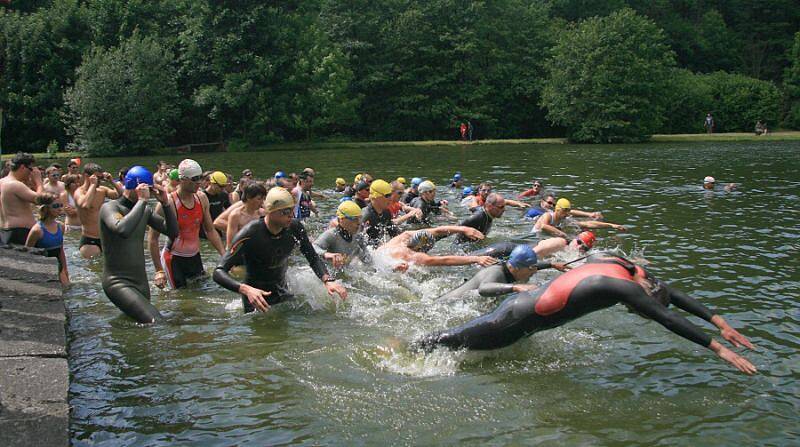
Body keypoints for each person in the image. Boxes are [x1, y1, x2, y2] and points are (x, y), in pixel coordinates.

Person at [413, 254, 758, 375]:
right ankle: (401, 348)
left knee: (464, 339)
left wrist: (718, 321)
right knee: (451, 342)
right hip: (519, 316)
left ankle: (413, 345)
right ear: (644, 289)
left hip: (526, 305)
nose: (632, 306)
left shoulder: (623, 266)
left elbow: (671, 296)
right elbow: (667, 316)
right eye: (638, 306)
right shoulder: (625, 288)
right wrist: (718, 348)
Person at [213, 186, 347, 313]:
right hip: (256, 299)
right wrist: (245, 290)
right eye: (285, 212)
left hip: (282, 292)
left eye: (292, 210)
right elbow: (218, 272)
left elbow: (312, 257)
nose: (291, 215)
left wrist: (327, 280)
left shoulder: (294, 228)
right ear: (270, 211)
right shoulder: (251, 233)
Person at [99, 166, 178, 324]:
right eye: (146, 189)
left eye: (150, 189)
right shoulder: (110, 207)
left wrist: (166, 204)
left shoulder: (144, 210)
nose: (149, 193)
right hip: (118, 282)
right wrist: (142, 201)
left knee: (137, 326)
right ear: (135, 187)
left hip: (140, 283)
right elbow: (122, 229)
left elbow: (173, 232)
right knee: (156, 321)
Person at [149, 159, 225, 290]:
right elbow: (152, 238)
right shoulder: (168, 203)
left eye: (200, 178)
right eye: (195, 179)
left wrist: (225, 256)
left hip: (194, 257)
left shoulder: (202, 198)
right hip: (173, 260)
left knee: (200, 296)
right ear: (182, 179)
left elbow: (210, 230)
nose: (199, 183)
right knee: (180, 300)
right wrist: (159, 271)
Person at [438, 245, 567, 301]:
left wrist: (552, 265)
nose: (534, 271)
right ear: (517, 268)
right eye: (531, 269)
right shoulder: (497, 272)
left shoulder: (513, 266)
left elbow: (531, 267)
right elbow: (483, 289)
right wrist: (515, 287)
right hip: (450, 303)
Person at [377, 226, 496, 267]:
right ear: (421, 249)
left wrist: (463, 229)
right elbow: (444, 260)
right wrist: (477, 259)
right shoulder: (411, 255)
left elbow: (437, 231)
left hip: (375, 256)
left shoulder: (404, 235)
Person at [74, 163, 122, 258]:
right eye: (97, 178)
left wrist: (112, 181)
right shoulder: (79, 192)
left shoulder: (102, 190)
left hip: (105, 238)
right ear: (86, 176)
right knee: (93, 270)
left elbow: (120, 195)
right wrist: (92, 185)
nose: (99, 181)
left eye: (100, 178)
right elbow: (85, 205)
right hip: (90, 240)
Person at [0, 153, 45, 245]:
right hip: (20, 232)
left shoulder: (2, 182)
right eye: (31, 169)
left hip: (5, 230)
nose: (31, 172)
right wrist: (39, 181)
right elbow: (41, 200)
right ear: (22, 167)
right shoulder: (15, 184)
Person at [25, 193, 69, 286]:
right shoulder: (37, 230)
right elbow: (27, 254)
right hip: (41, 269)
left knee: (67, 290)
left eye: (61, 205)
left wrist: (65, 270)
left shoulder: (61, 226)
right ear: (46, 209)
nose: (60, 209)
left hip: (58, 267)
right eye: (56, 206)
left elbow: (60, 250)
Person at [313, 200, 372, 270]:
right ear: (341, 219)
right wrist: (327, 255)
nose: (359, 223)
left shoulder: (358, 237)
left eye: (359, 218)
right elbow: (313, 247)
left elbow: (368, 261)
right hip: (326, 273)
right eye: (354, 219)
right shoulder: (331, 235)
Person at [468, 231, 596, 260]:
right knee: (468, 259)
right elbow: (532, 254)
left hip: (513, 252)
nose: (579, 247)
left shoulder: (568, 252)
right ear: (574, 239)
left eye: (584, 248)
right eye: (579, 242)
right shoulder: (560, 242)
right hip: (506, 250)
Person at [533, 198, 625, 238]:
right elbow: (544, 226)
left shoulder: (564, 220)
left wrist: (611, 225)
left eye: (568, 211)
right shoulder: (548, 215)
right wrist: (563, 234)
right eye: (564, 211)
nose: (567, 213)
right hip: (533, 238)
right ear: (557, 210)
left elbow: (587, 224)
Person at [224, 182, 266, 249]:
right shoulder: (236, 215)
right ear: (248, 197)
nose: (262, 202)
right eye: (259, 199)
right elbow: (231, 243)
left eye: (263, 199)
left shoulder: (263, 213)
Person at [361, 179, 401, 247]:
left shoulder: (386, 213)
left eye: (391, 195)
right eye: (387, 195)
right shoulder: (365, 216)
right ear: (376, 196)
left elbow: (394, 234)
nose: (391, 198)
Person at [200, 171, 232, 239]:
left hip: (217, 232)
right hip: (202, 233)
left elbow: (231, 211)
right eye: (220, 186)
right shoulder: (201, 196)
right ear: (211, 183)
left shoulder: (223, 195)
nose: (222, 189)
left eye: (224, 186)